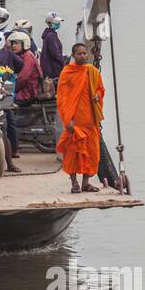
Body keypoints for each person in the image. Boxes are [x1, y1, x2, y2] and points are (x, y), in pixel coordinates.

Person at [56, 43, 105, 193]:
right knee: (73, 152)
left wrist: (97, 96)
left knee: (91, 152)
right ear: (73, 55)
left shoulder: (92, 71)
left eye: (84, 53)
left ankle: (85, 183)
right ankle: (74, 183)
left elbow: (100, 89)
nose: (83, 56)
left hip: (90, 120)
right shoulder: (67, 72)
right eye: (79, 54)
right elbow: (62, 98)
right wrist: (67, 120)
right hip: (74, 121)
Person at [8, 31, 42, 104]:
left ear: (24, 44)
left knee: (5, 101)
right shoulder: (21, 56)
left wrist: (12, 89)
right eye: (12, 43)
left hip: (28, 93)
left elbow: (22, 78)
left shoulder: (28, 57)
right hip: (25, 90)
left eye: (16, 43)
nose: (13, 46)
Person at [40, 12, 66, 82]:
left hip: (49, 70)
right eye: (56, 22)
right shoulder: (52, 36)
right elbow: (55, 54)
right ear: (50, 23)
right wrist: (65, 59)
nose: (59, 24)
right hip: (53, 71)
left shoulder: (48, 34)